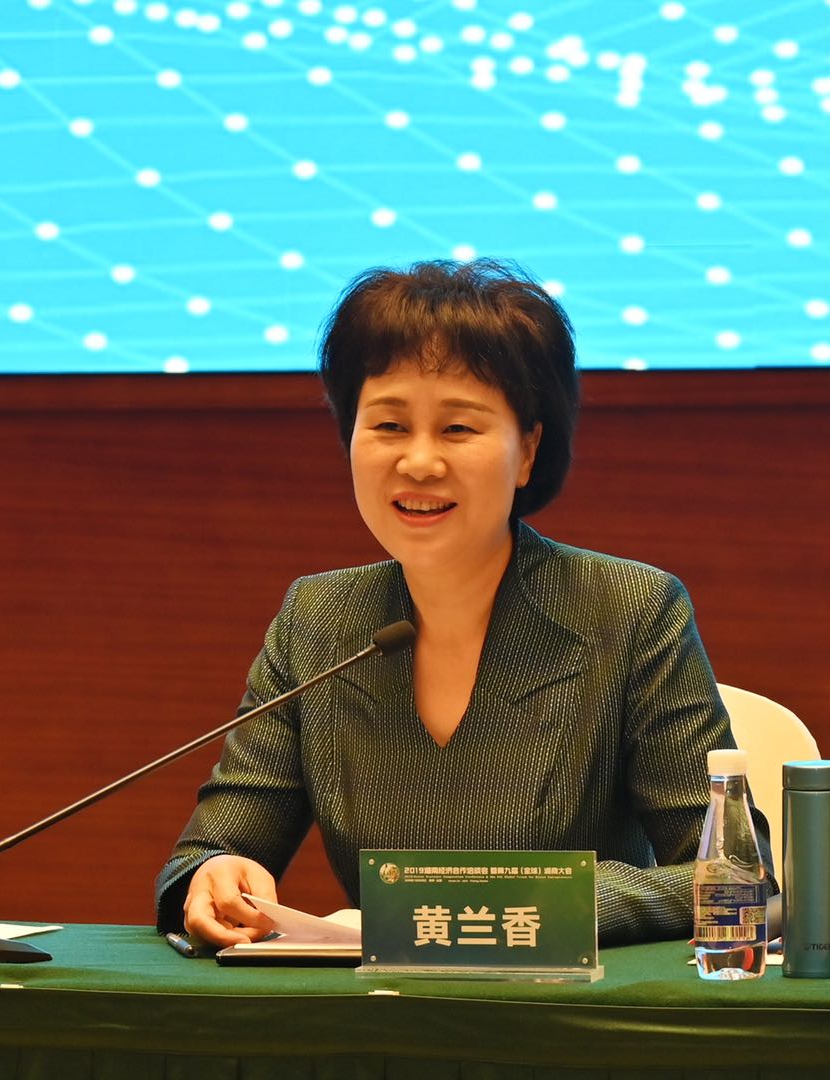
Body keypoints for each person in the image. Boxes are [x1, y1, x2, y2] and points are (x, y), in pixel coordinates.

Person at [156, 258, 773, 947]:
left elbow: (736, 877)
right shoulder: (318, 620)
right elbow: (211, 851)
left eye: (458, 429)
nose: (419, 462)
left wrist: (537, 904)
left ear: (527, 450)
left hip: (570, 1002)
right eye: (389, 426)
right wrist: (215, 874)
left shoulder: (628, 610)